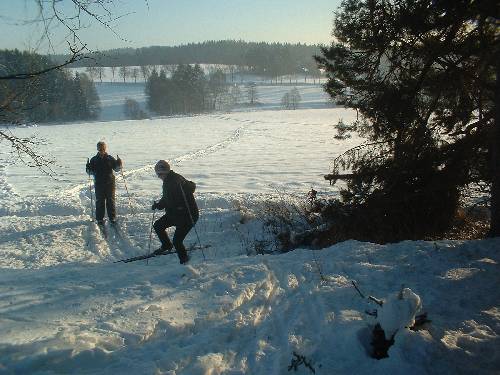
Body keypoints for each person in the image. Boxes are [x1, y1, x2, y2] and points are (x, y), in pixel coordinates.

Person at [151, 160, 199, 264]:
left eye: (159, 174)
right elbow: (167, 198)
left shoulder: (176, 180)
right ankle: (166, 245)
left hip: (188, 216)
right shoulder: (168, 180)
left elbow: (189, 189)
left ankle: (184, 260)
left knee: (177, 241)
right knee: (158, 225)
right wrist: (159, 205)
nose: (159, 177)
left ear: (165, 172)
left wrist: (185, 188)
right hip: (175, 214)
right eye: (157, 174)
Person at [86, 141, 122, 225]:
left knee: (110, 200)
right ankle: (99, 219)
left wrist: (119, 164)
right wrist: (88, 168)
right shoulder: (94, 159)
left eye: (103, 148)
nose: (101, 150)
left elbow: (116, 169)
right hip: (99, 183)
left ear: (105, 148)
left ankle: (112, 218)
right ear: (97, 149)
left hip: (110, 183)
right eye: (100, 148)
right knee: (100, 201)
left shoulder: (110, 158)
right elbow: (90, 172)